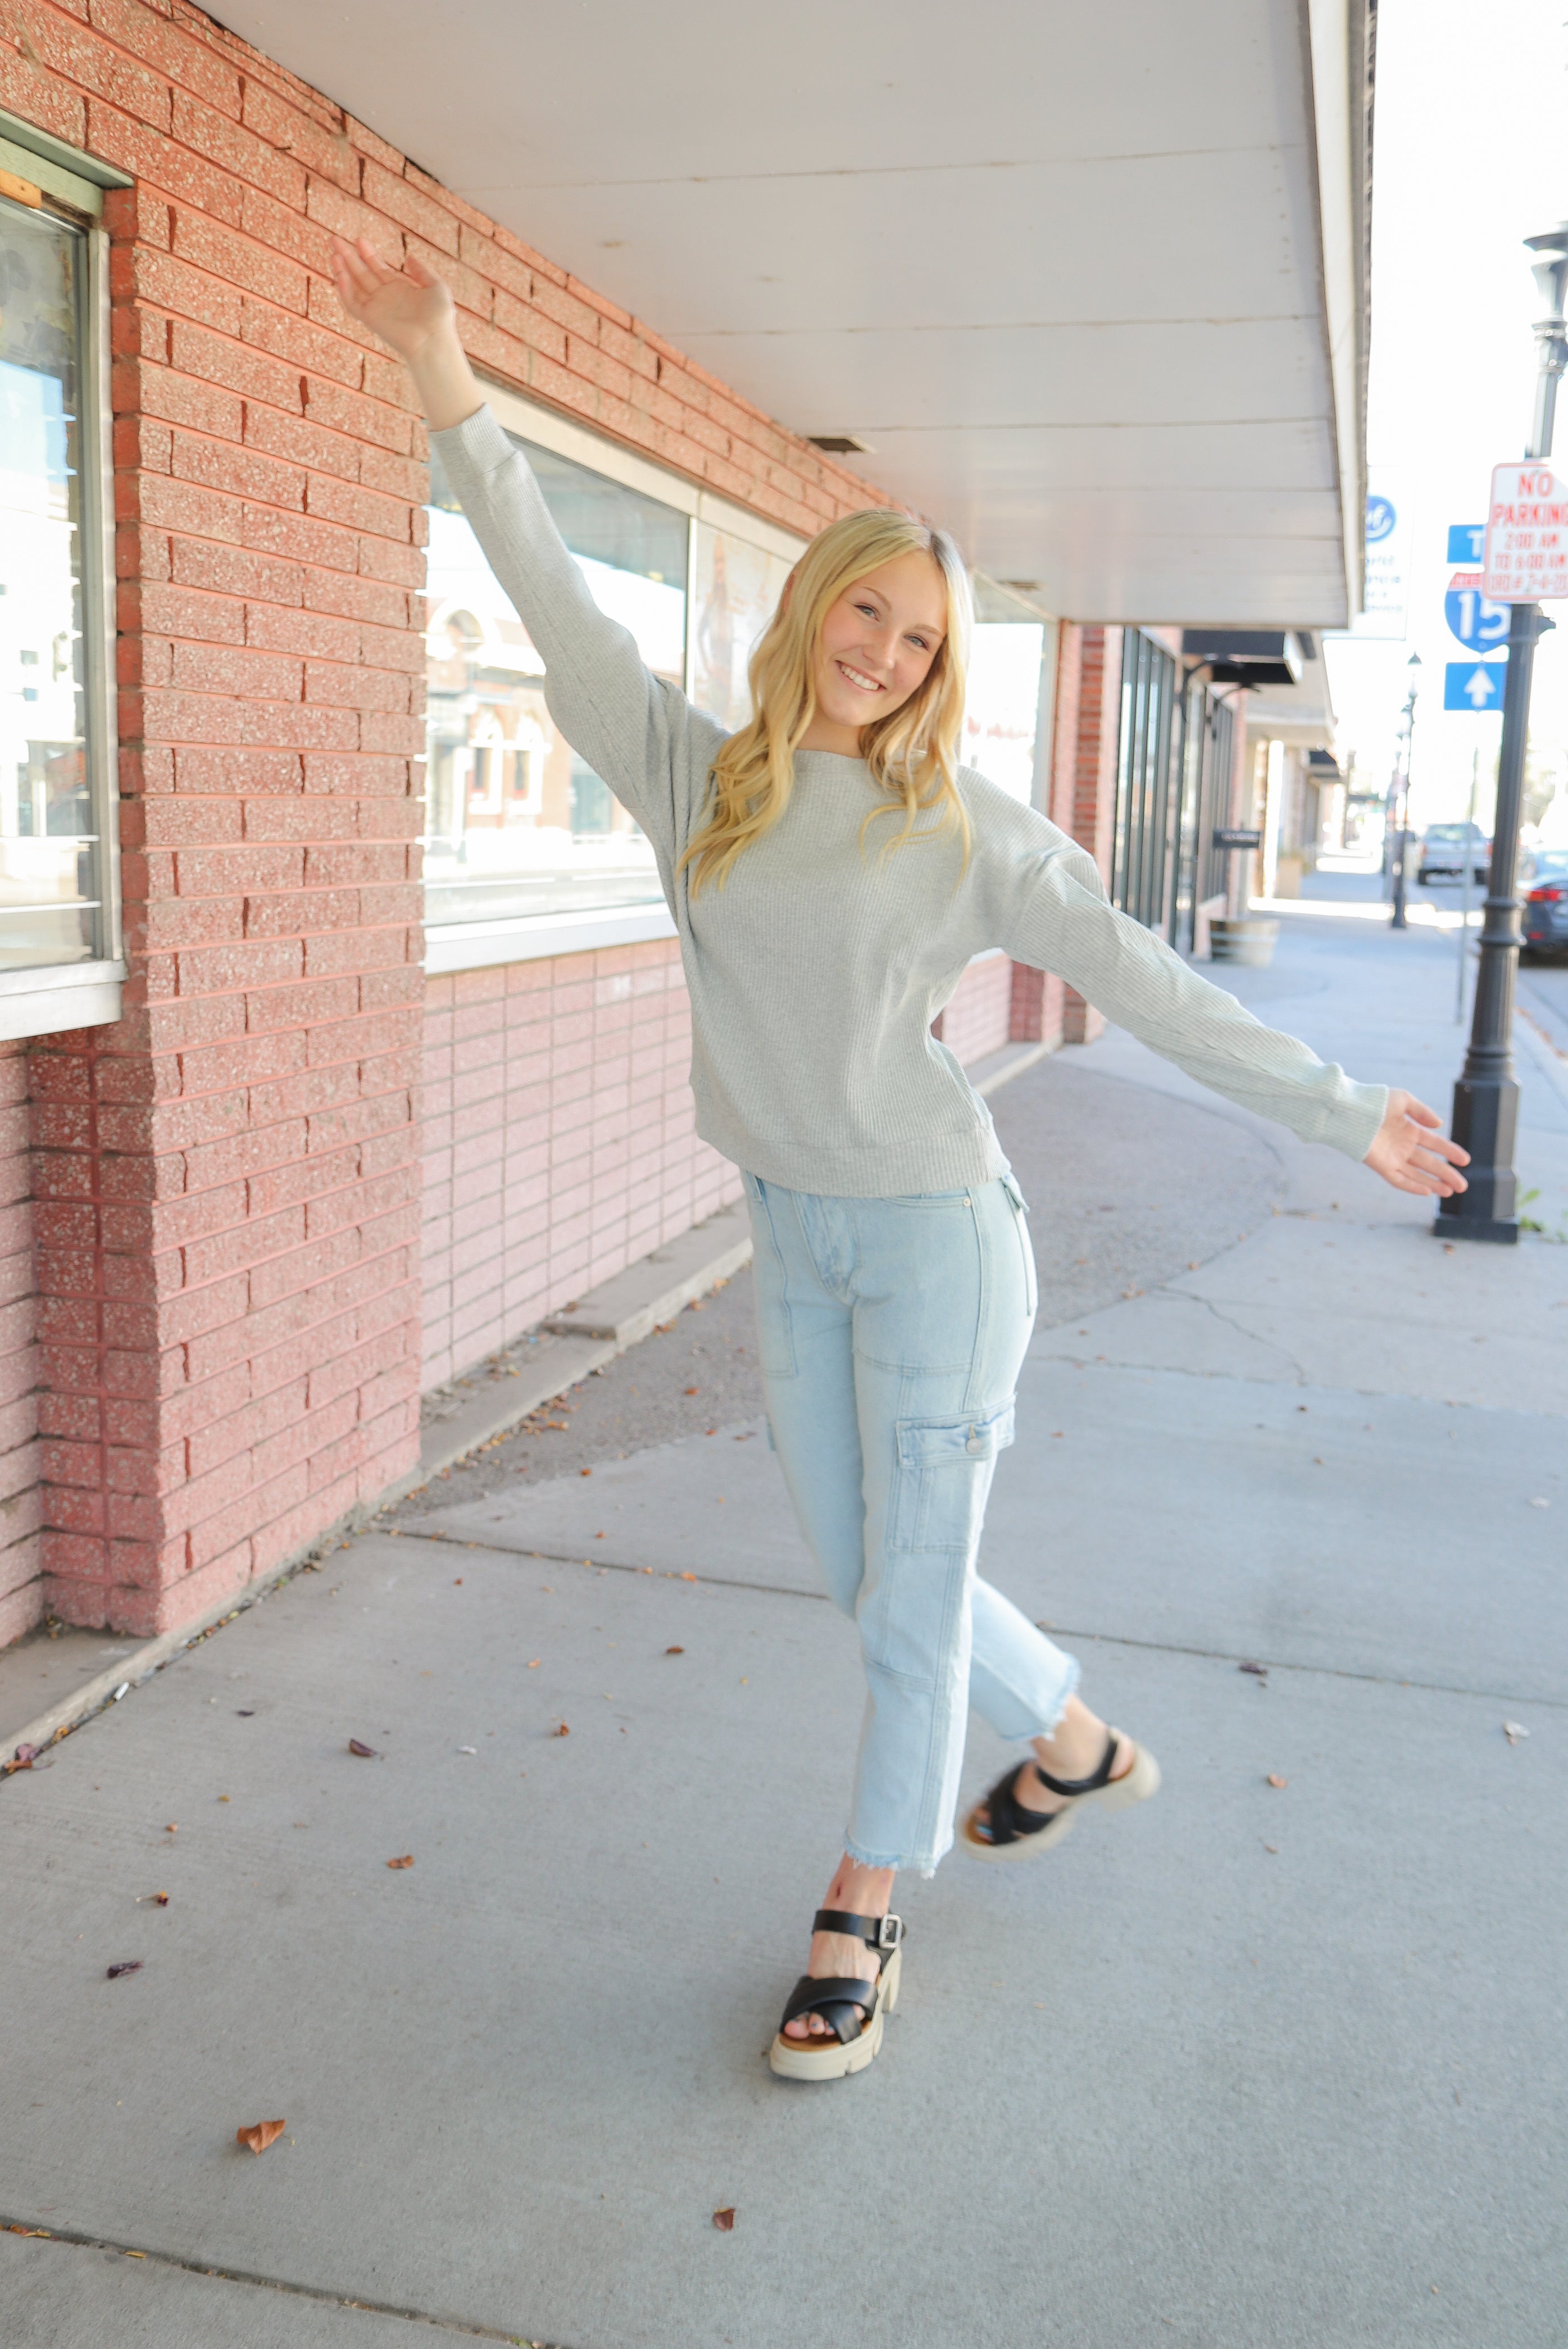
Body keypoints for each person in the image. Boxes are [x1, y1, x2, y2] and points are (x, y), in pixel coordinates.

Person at [331, 237, 1470, 2084]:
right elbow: (550, 594)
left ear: (943, 664)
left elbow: (1148, 982)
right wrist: (441, 374)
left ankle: (866, 1898)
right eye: (865, 616)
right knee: (874, 1575)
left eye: (922, 639)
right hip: (787, 1232)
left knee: (909, 1595)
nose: (885, 653)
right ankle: (1076, 1740)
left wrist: (1349, 1111)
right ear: (812, 609)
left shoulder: (969, 832)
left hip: (941, 1240)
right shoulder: (703, 776)